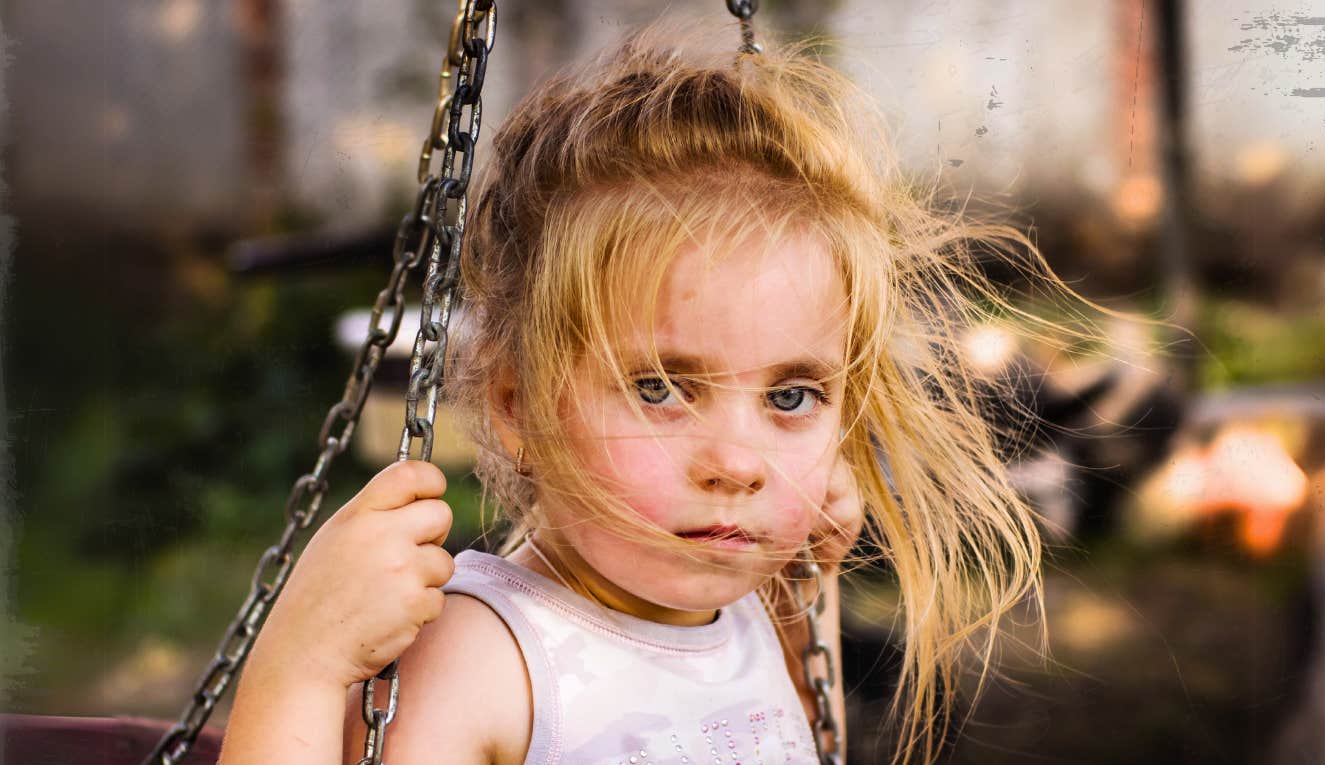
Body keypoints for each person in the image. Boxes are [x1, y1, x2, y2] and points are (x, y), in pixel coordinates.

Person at [219, 21, 1091, 764]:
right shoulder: (490, 658)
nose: (738, 464)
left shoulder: (746, 605)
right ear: (519, 408)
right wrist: (298, 670)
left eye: (791, 397)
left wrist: (809, 590)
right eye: (661, 388)